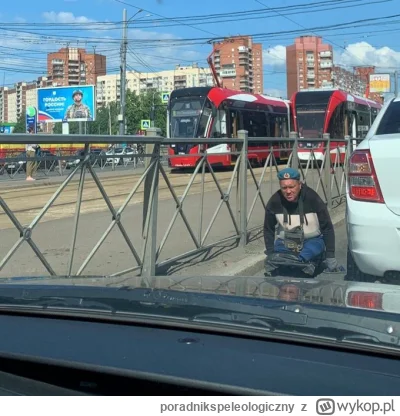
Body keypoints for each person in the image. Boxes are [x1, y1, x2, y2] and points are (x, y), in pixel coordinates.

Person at [264, 167, 340, 275]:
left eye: (291, 187)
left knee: (313, 248)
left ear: (299, 185)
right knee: (278, 252)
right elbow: (268, 229)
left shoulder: (312, 198)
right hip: (286, 242)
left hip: (311, 240)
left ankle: (298, 260)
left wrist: (330, 257)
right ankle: (299, 262)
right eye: (284, 188)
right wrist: (270, 253)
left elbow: (327, 227)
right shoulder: (274, 201)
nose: (288, 191)